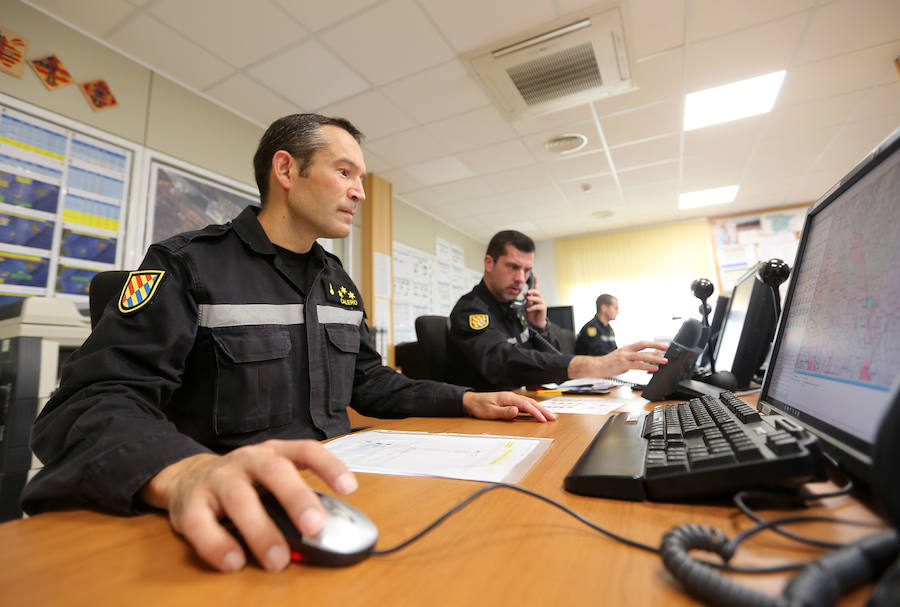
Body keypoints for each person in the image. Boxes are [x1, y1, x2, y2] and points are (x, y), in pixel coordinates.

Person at [22, 114, 555, 574]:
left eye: (361, 178)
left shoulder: (338, 281)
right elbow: (90, 401)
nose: (360, 192)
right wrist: (185, 472)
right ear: (286, 171)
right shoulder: (187, 264)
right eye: (344, 172)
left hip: (343, 487)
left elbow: (370, 382)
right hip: (236, 505)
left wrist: (465, 399)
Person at [447, 231, 667, 390]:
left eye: (527, 271)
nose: (521, 279)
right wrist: (596, 364)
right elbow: (502, 363)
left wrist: (541, 328)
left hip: (524, 402)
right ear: (489, 263)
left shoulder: (516, 309)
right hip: (483, 417)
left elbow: (552, 360)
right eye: (513, 267)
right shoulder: (471, 311)